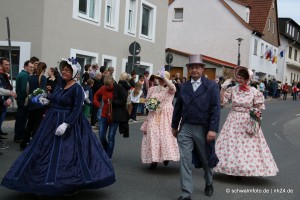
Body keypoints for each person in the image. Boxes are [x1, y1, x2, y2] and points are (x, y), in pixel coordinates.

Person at [1, 58, 115, 195]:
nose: (64, 72)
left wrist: (67, 123)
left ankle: (67, 184)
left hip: (69, 125)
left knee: (67, 154)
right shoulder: (60, 85)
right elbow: (54, 99)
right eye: (63, 70)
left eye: (68, 70)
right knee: (44, 150)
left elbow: (77, 109)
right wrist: (47, 100)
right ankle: (43, 181)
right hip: (51, 122)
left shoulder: (77, 88)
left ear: (74, 72)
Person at [214, 66, 279, 178]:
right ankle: (231, 168)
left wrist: (255, 122)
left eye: (242, 78)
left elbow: (258, 109)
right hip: (233, 120)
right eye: (238, 77)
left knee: (246, 146)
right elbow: (222, 102)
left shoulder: (254, 92)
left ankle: (243, 169)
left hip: (247, 120)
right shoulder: (232, 89)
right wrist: (223, 88)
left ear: (248, 79)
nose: (239, 80)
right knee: (232, 145)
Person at [171, 54, 221, 199]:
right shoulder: (184, 87)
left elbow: (215, 109)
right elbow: (178, 107)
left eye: (197, 67)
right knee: (185, 160)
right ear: (188, 69)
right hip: (186, 127)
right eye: (191, 68)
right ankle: (186, 193)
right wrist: (174, 126)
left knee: (206, 159)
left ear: (202, 69)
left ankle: (209, 182)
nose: (194, 70)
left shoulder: (211, 86)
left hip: (204, 128)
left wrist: (213, 129)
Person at [141, 68, 180, 169]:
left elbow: (173, 88)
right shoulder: (152, 89)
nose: (160, 80)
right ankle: (154, 160)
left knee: (165, 136)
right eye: (159, 78)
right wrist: (150, 105)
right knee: (153, 135)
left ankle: (165, 156)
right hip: (154, 114)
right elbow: (147, 100)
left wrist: (165, 78)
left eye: (162, 78)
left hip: (167, 115)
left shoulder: (170, 89)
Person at [93, 75, 127, 158]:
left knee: (111, 136)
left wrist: (113, 102)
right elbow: (96, 96)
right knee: (101, 136)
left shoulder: (118, 88)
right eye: (106, 85)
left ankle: (108, 155)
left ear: (112, 82)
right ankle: (107, 149)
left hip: (114, 116)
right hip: (104, 115)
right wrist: (97, 104)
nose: (107, 87)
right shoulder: (103, 88)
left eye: (109, 85)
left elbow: (123, 101)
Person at [20, 62, 48, 150]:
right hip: (38, 105)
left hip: (30, 104)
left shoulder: (30, 77)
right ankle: (34, 145)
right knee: (37, 125)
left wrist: (30, 97)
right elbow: (42, 91)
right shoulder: (42, 78)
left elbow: (27, 90)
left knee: (29, 124)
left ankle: (23, 144)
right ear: (44, 69)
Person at [14, 60, 32, 143]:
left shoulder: (21, 74)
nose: (32, 68)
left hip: (20, 99)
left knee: (20, 118)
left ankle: (18, 136)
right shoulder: (25, 75)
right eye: (30, 67)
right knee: (22, 119)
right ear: (25, 67)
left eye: (32, 67)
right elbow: (25, 89)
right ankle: (19, 137)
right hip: (23, 99)